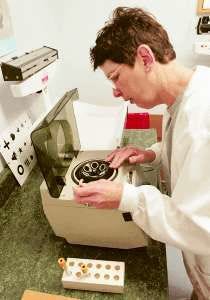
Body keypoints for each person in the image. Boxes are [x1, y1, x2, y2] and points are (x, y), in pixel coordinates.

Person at [73, 7, 210, 299]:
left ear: (145, 58)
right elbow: (191, 154)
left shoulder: (202, 119)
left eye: (116, 77)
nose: (116, 92)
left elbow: (198, 226)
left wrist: (126, 197)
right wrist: (152, 153)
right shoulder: (191, 96)